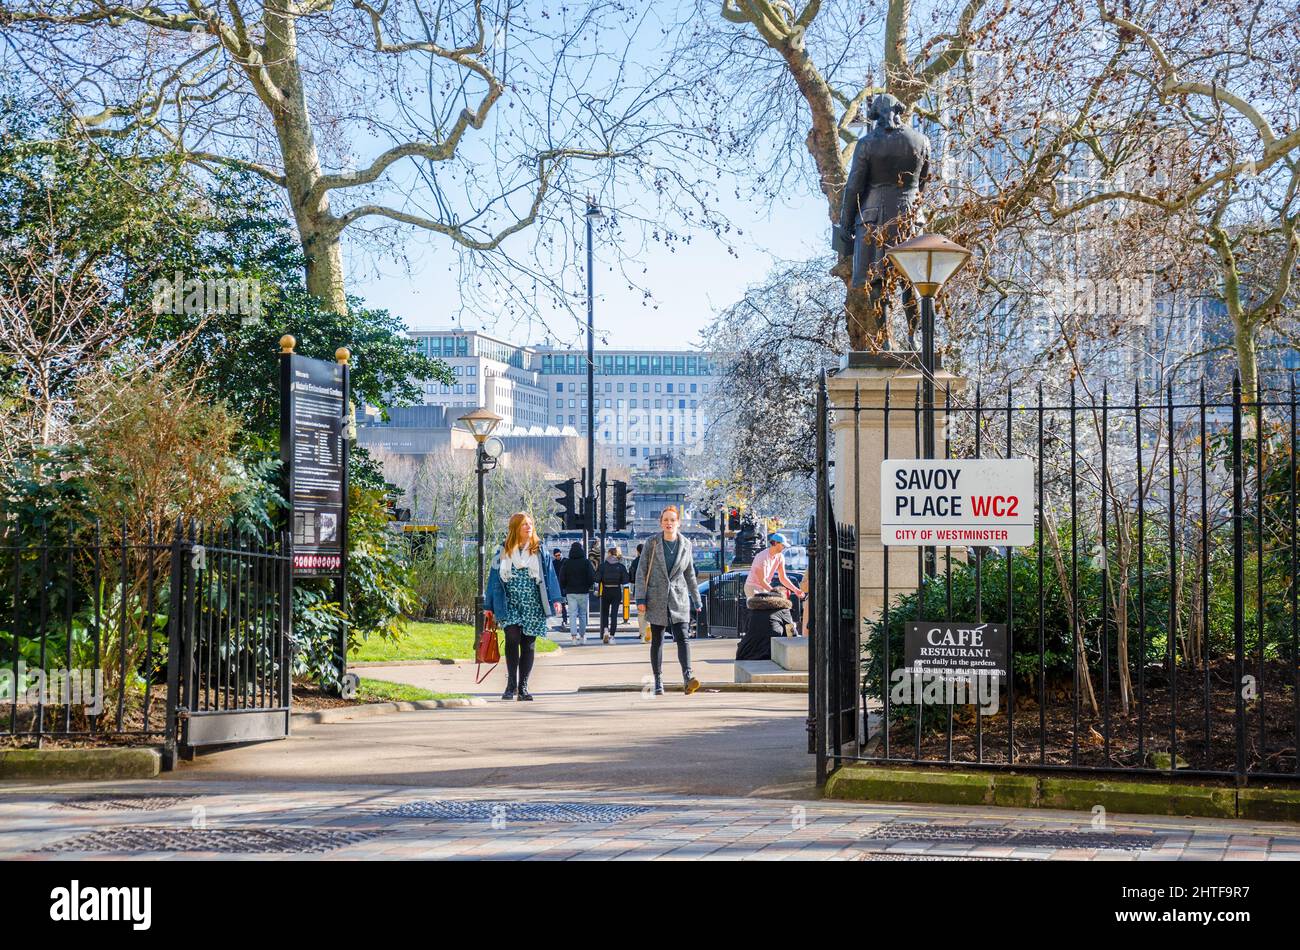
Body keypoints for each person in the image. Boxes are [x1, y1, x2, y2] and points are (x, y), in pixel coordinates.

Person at [484, 512, 563, 701]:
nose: (528, 527)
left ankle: (523, 686)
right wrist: (489, 605)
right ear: (515, 528)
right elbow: (493, 578)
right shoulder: (502, 551)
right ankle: (511, 684)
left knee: (528, 644)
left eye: (530, 524)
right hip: (509, 602)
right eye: (524, 525)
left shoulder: (539, 550)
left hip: (533, 604)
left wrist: (556, 599)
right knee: (511, 637)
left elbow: (550, 575)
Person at [635, 506, 703, 695]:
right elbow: (641, 571)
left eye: (672, 520)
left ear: (678, 523)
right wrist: (640, 597)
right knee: (657, 640)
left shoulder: (686, 544)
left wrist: (696, 599)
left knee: (683, 637)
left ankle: (688, 677)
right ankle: (658, 680)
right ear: (661, 522)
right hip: (656, 597)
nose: (669, 523)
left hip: (679, 598)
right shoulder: (652, 543)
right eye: (665, 520)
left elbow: (690, 574)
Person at [744, 533, 805, 602]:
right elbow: (762, 581)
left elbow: (783, 578)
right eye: (783, 545)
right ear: (775, 543)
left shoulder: (780, 557)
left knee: (769, 610)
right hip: (753, 587)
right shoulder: (762, 557)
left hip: (764, 587)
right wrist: (775, 593)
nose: (784, 547)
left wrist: (795, 590)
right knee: (761, 609)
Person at [559, 541, 596, 644]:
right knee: (582, 614)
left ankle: (574, 637)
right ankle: (582, 636)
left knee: (572, 614)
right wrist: (588, 586)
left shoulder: (567, 562)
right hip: (583, 591)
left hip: (570, 592)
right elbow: (591, 577)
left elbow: (562, 577)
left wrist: (565, 587)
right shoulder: (586, 562)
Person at [598, 547, 630, 643]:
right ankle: (612, 636)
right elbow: (625, 581)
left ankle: (605, 630)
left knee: (604, 613)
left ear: (608, 554)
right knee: (614, 614)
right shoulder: (620, 566)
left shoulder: (603, 566)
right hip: (616, 590)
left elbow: (596, 578)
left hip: (606, 590)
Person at [552, 548, 567, 626]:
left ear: (561, 553)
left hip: (566, 585)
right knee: (563, 603)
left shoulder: (566, 561)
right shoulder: (554, 563)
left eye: (559, 554)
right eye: (556, 555)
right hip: (559, 585)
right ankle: (565, 619)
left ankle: (566, 619)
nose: (558, 556)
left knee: (568, 603)